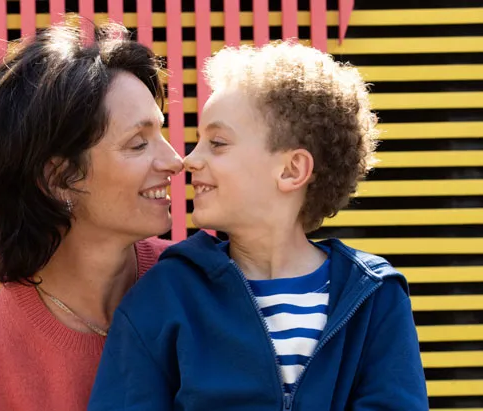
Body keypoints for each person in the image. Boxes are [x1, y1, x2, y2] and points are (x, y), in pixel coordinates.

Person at [89, 41, 428, 410]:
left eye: (217, 143)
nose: (188, 160)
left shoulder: (375, 295)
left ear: (291, 169)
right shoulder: (163, 296)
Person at [0, 22, 183, 411]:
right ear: (59, 179)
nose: (175, 161)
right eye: (138, 143)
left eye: (161, 134)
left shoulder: (203, 286)